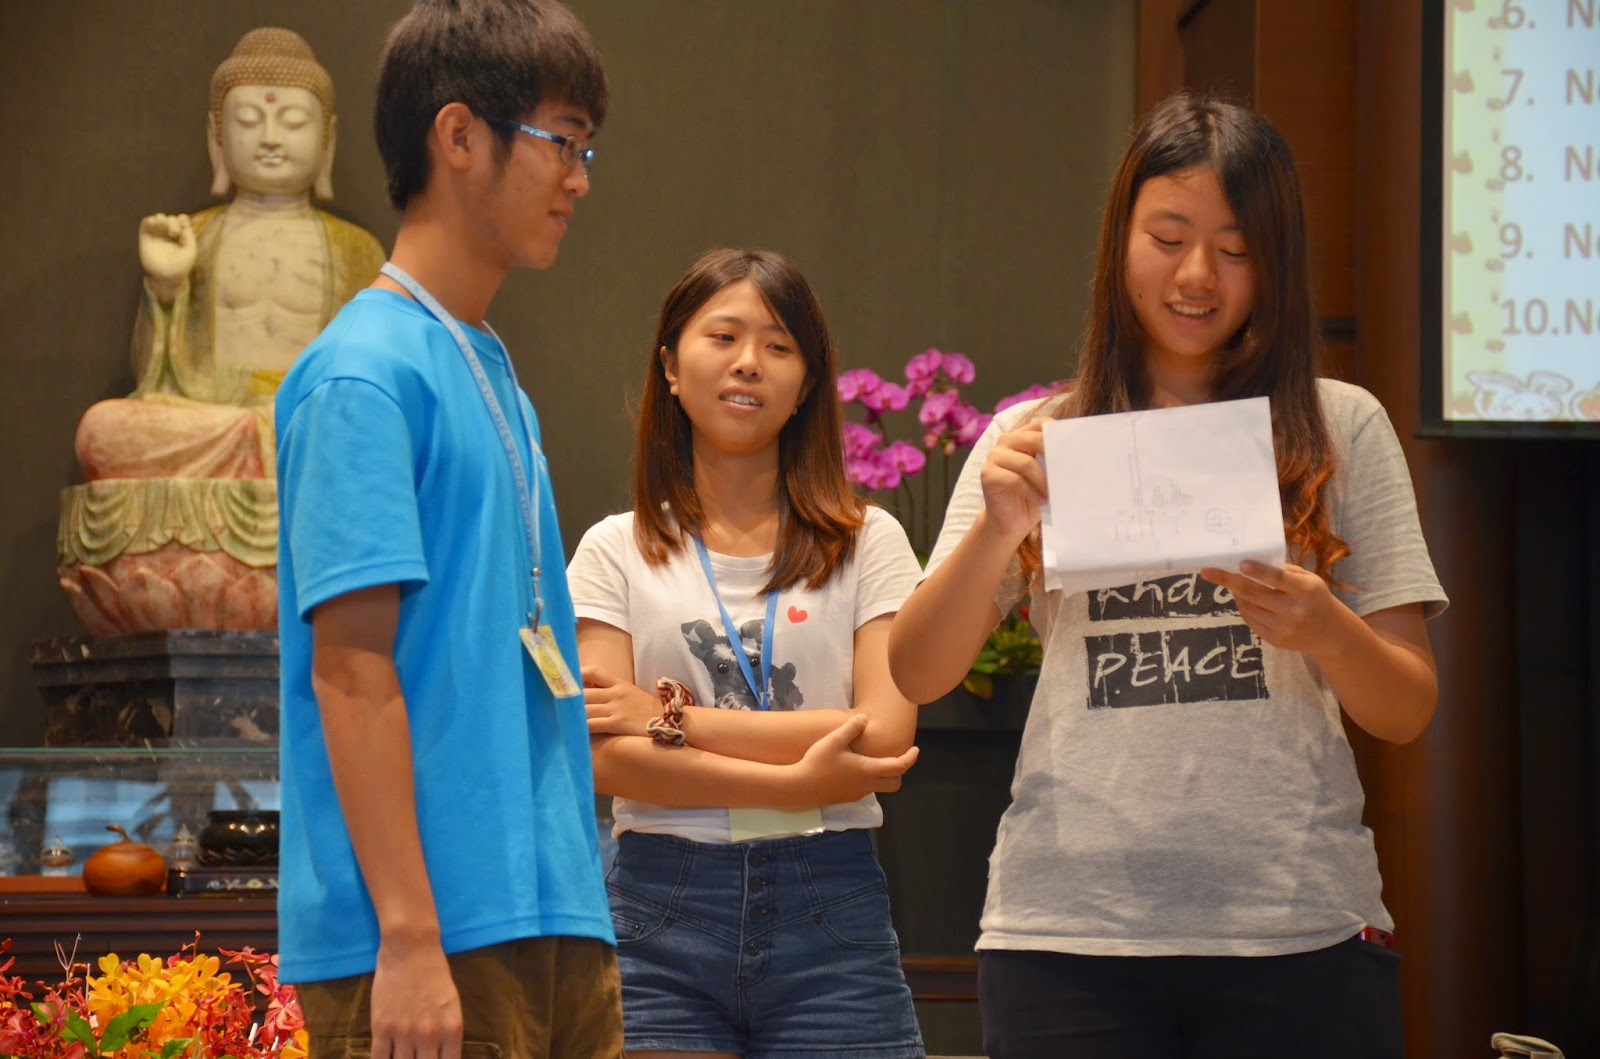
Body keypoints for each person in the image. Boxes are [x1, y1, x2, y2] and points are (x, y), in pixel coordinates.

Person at [888, 91, 1448, 1059]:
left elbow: (1406, 707)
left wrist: (1326, 629)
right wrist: (995, 531)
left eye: (1236, 249)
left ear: (1276, 265)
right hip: (1068, 934)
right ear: (1120, 242)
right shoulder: (1038, 439)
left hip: (1296, 932)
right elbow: (917, 672)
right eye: (1168, 237)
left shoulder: (1339, 424)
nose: (1197, 275)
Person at [273, 2, 619, 1056]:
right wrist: (410, 936)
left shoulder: (491, 368)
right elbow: (350, 668)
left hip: (553, 915)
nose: (580, 180)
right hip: (425, 938)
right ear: (460, 134)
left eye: (586, 150)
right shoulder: (360, 373)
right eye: (564, 142)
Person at [567, 248, 927, 1059]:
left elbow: (880, 737)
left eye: (778, 344)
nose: (748, 363)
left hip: (830, 907)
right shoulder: (613, 550)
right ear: (670, 365)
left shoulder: (869, 541)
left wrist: (669, 718)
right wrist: (800, 780)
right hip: (661, 909)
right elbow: (605, 757)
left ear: (807, 381)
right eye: (723, 336)